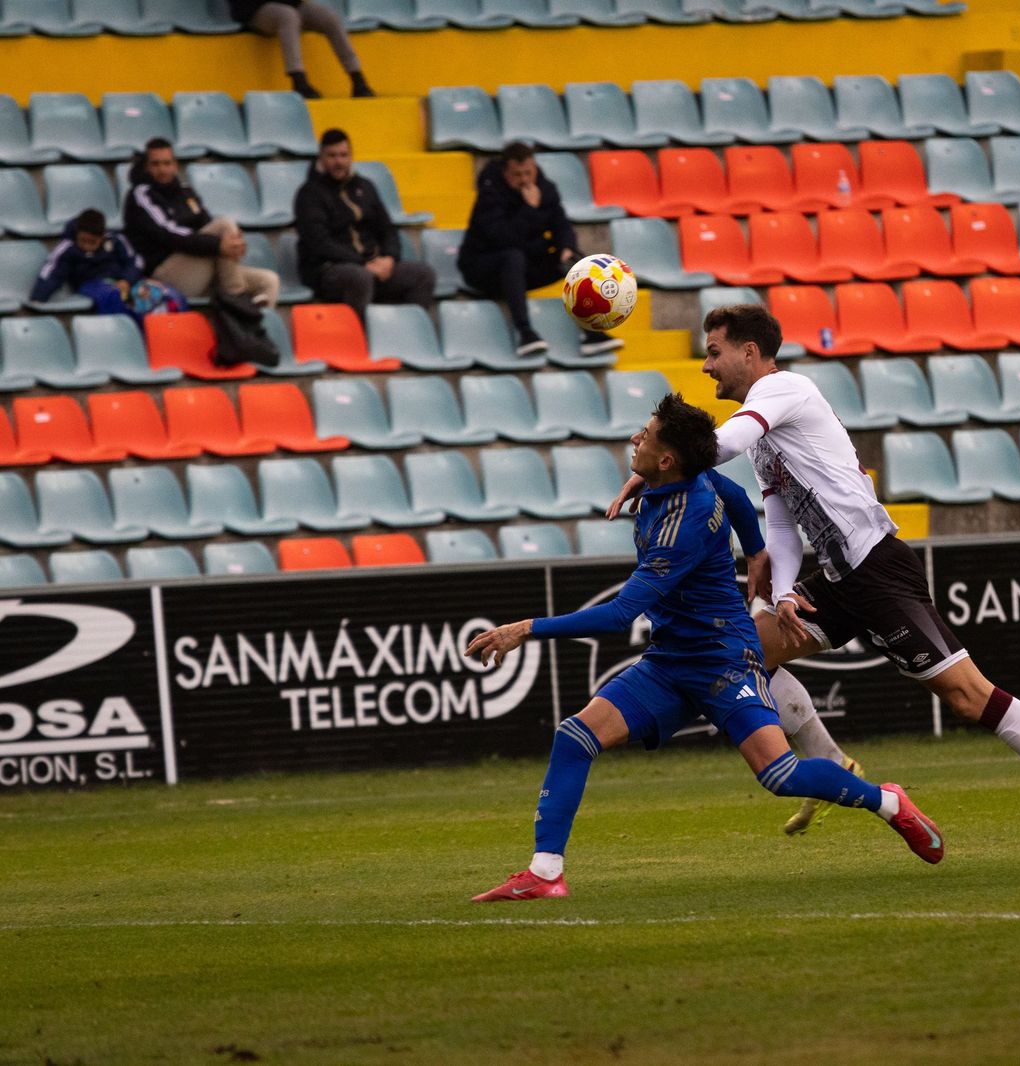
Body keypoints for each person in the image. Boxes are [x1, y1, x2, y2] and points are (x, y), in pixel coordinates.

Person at [611, 304, 1020, 865]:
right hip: (836, 578)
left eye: (713, 353)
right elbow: (780, 523)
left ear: (749, 353)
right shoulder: (760, 435)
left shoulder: (786, 392)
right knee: (744, 653)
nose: (707, 367)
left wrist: (657, 464)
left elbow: (721, 446)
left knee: (967, 696)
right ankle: (833, 767)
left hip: (879, 568)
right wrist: (783, 591)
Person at [466, 394, 944, 901]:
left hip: (723, 658)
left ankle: (887, 802)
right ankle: (545, 872)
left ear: (667, 459)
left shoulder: (683, 524)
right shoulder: (695, 479)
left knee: (780, 775)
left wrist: (526, 629)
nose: (635, 439)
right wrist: (757, 550)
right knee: (575, 736)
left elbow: (620, 614)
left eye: (645, 436)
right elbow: (738, 498)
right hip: (671, 661)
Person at [457, 142, 621, 358]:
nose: (525, 180)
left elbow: (561, 224)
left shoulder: (545, 189)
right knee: (512, 257)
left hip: (523, 266)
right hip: (482, 269)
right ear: (505, 172)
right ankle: (525, 333)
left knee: (575, 260)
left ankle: (592, 333)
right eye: (517, 175)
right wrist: (529, 209)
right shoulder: (490, 193)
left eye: (528, 173)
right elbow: (504, 238)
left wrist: (566, 247)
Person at [293, 128, 435, 317]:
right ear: (321, 157)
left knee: (423, 275)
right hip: (329, 270)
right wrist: (362, 263)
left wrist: (390, 259)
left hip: (372, 264)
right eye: (332, 156)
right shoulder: (309, 194)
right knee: (360, 278)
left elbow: (387, 229)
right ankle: (360, 338)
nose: (338, 162)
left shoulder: (365, 186)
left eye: (344, 155)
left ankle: (409, 335)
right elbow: (320, 243)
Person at [123, 138, 280, 308]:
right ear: (147, 167)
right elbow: (168, 234)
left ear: (175, 166)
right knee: (225, 226)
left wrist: (229, 244)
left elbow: (206, 225)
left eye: (167, 163)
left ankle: (253, 332)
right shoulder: (141, 195)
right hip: (165, 275)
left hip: (199, 270)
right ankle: (236, 299)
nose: (162, 169)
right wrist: (218, 244)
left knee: (269, 281)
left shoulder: (185, 191)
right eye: (156, 164)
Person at [30, 209, 187, 322]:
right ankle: (132, 334)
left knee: (165, 293)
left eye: (93, 242)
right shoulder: (68, 248)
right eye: (83, 241)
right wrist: (38, 298)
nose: (87, 246)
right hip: (92, 285)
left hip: (123, 282)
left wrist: (126, 280)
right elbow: (51, 272)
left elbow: (135, 261)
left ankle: (170, 334)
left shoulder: (116, 240)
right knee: (114, 296)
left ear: (103, 236)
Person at [230, 1, 374, 100]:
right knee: (288, 16)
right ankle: (298, 80)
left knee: (328, 16)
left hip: (291, 5)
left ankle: (357, 78)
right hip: (254, 10)